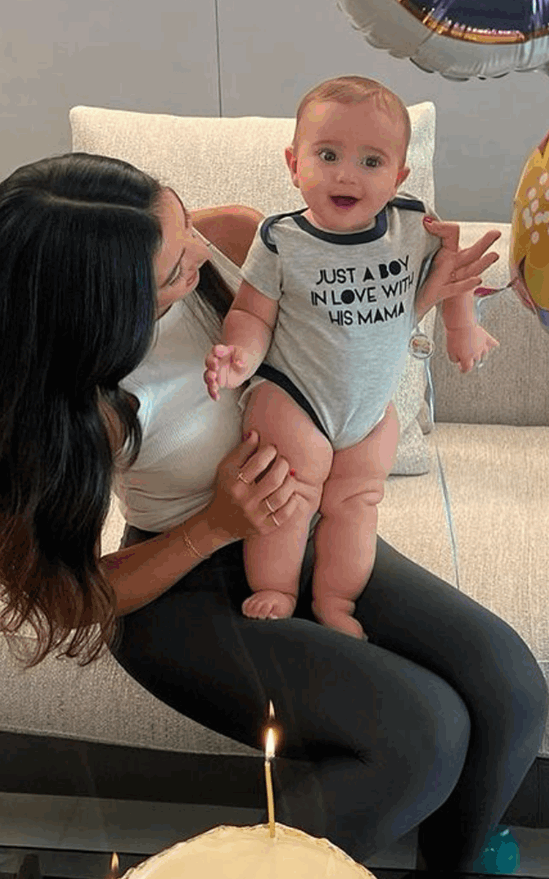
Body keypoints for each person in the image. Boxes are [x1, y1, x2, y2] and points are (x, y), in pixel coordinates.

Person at [0, 149, 548, 879]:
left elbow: (346, 309)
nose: (199, 252)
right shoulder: (75, 406)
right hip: (179, 583)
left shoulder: (227, 241)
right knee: (423, 736)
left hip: (300, 531)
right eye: (174, 268)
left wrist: (437, 282)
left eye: (182, 222)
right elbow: (67, 597)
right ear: (104, 310)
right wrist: (214, 524)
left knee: (509, 685)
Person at [204, 76, 496, 637]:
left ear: (399, 177)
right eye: (328, 155)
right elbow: (252, 314)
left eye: (371, 161)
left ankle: (336, 601)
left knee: (357, 503)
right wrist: (239, 356)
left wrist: (463, 329)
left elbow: (453, 275)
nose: (346, 174)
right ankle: (277, 587)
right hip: (293, 399)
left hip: (371, 412)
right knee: (289, 496)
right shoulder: (280, 238)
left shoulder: (413, 225)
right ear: (294, 165)